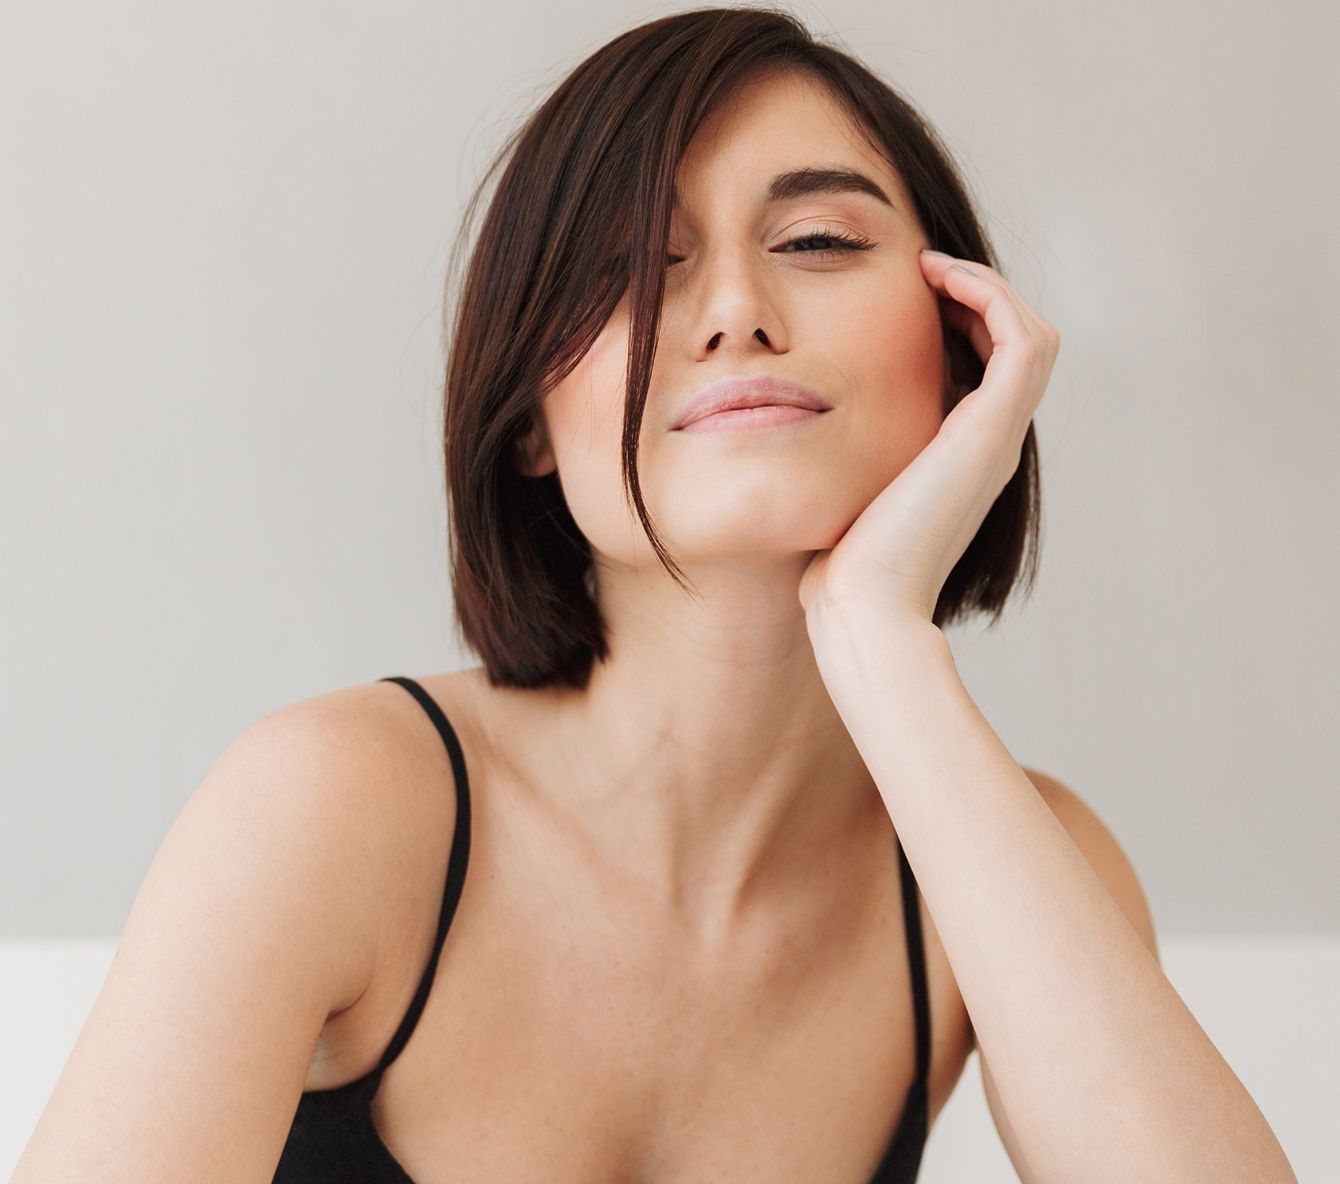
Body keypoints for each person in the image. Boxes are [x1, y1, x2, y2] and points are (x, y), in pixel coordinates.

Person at [14, 7, 1298, 1183]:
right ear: (527, 419)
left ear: (961, 351)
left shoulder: (1012, 861)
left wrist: (878, 639)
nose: (735, 308)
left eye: (815, 240)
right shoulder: (334, 803)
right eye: (638, 265)